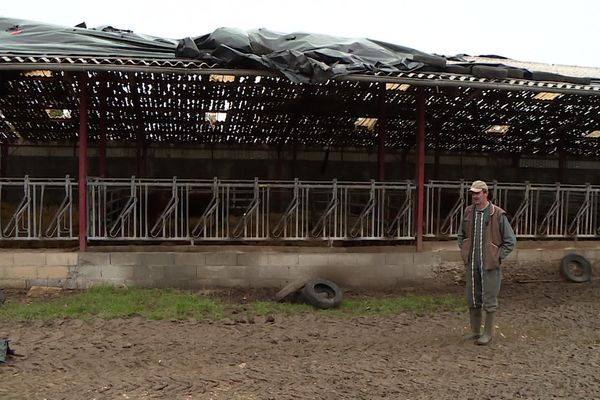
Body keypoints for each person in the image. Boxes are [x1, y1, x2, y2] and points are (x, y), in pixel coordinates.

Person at [457, 180, 516, 345]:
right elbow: (461, 235)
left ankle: (488, 333)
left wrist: (498, 256)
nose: (474, 196)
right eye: (473, 193)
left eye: (477, 193)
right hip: (472, 262)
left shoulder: (497, 214)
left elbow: (510, 240)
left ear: (485, 193)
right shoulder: (469, 212)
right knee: (472, 296)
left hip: (490, 264)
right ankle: (475, 331)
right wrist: (465, 249)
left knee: (489, 297)